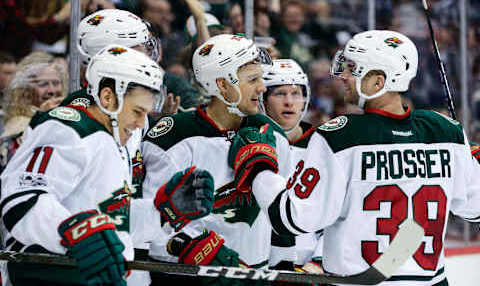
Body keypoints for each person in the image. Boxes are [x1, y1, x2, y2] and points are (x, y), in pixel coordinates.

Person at [229, 30, 480, 285]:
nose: (344, 76)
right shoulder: (445, 132)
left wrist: (260, 168)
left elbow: (291, 218)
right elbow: (476, 206)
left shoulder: (342, 136)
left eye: (354, 69)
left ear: (379, 83)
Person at [0, 44, 214, 286]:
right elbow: (22, 199)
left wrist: (162, 213)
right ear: (108, 97)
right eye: (136, 111)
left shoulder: (115, 142)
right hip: (50, 277)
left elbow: (111, 219)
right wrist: (74, 231)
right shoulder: (68, 127)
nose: (141, 122)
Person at [141, 34, 295, 285]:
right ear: (223, 85)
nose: (262, 87)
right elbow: (151, 226)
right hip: (190, 279)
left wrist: (285, 269)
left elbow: (281, 216)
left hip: (254, 277)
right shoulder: (174, 137)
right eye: (252, 79)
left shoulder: (272, 134)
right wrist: (192, 246)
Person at [261, 58, 324, 274]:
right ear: (264, 98)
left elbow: (338, 214)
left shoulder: (325, 149)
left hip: (308, 268)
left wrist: (320, 260)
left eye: (296, 93)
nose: (289, 102)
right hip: (257, 266)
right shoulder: (248, 144)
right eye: (280, 93)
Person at [0, 62, 66, 173]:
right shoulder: (18, 124)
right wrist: (41, 119)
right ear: (26, 91)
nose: (52, 91)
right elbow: (9, 164)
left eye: (56, 83)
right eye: (43, 84)